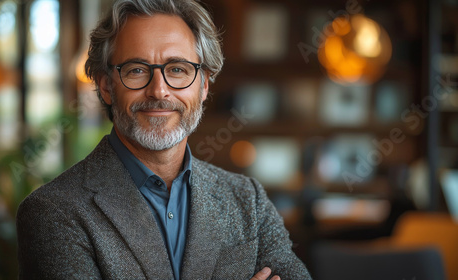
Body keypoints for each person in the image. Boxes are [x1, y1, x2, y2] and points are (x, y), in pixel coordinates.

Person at [16, 0, 312, 279]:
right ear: (106, 86)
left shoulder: (248, 200)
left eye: (178, 70)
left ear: (204, 85)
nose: (159, 91)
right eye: (136, 70)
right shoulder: (53, 212)